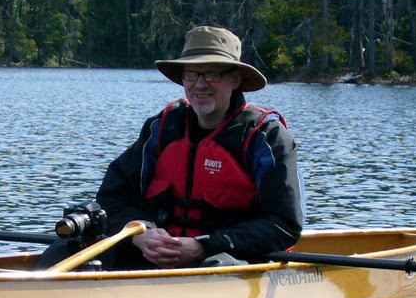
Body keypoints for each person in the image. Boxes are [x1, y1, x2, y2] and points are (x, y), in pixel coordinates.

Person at [96, 25, 304, 269]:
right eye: (191, 74)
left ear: (235, 79)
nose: (200, 85)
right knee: (73, 247)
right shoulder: (161, 129)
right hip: (157, 258)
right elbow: (110, 200)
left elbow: (284, 224)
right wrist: (140, 234)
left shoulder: (266, 138)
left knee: (219, 266)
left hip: (231, 260)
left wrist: (204, 246)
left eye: (212, 74)